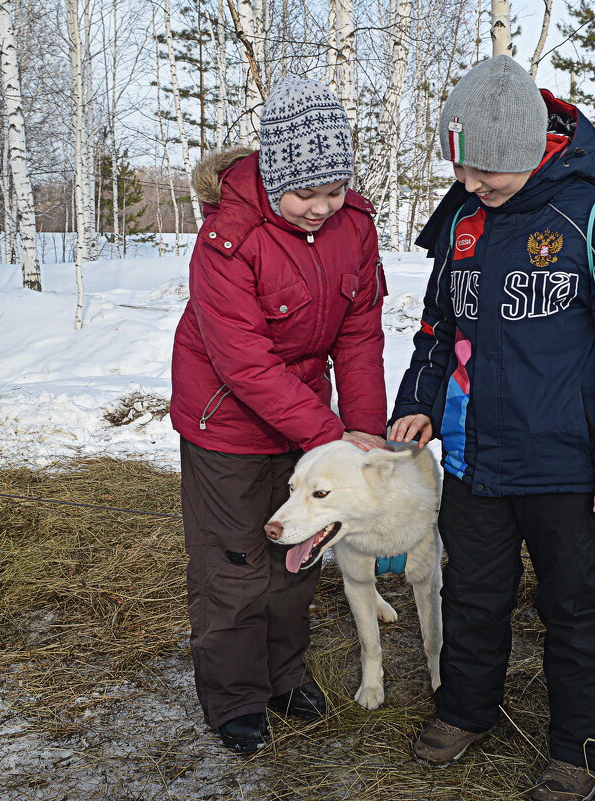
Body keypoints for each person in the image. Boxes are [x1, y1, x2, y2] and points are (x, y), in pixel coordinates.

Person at [389, 56, 595, 800]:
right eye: (461, 168)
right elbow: (434, 329)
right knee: (473, 596)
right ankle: (466, 710)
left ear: (527, 152)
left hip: (568, 466)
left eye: (485, 171)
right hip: (473, 460)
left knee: (575, 607)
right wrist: (416, 400)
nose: (470, 183)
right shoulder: (460, 222)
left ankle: (580, 747)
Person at [170, 75, 388, 754]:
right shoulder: (227, 239)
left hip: (304, 423)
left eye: (334, 190)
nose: (322, 207)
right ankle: (236, 697)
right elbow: (245, 364)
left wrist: (366, 434)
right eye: (306, 193)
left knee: (298, 550)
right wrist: (332, 439)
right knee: (234, 557)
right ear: (272, 177)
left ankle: (285, 675)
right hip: (226, 419)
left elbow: (359, 334)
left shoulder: (354, 227)